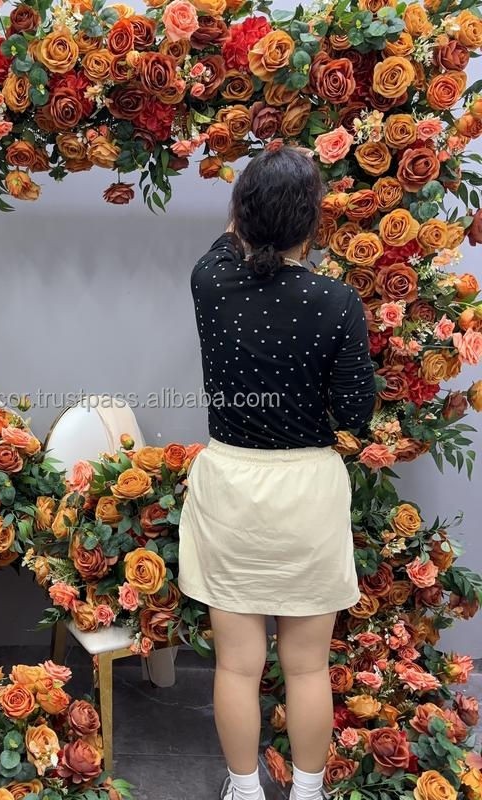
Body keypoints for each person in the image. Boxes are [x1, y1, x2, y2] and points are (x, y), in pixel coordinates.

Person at [178, 146, 377, 800]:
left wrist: (246, 217)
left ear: (241, 214)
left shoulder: (210, 282)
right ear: (311, 224)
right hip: (307, 493)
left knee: (237, 667)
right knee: (308, 668)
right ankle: (308, 790)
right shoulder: (336, 300)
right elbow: (356, 411)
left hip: (232, 488)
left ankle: (244, 789)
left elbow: (226, 243)